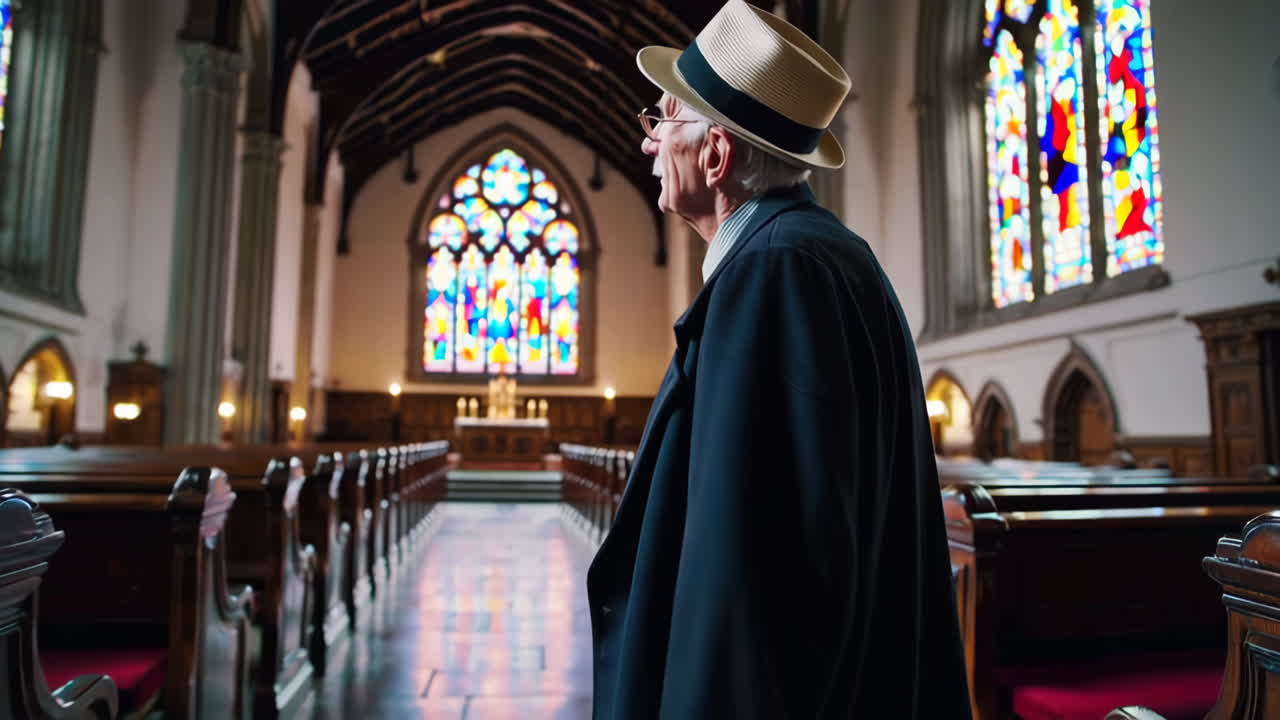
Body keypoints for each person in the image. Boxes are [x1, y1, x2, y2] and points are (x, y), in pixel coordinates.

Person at [584, 1, 972, 718]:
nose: (646, 145)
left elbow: (752, 569)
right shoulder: (820, 254)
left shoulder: (776, 275)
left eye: (661, 120)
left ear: (715, 153)